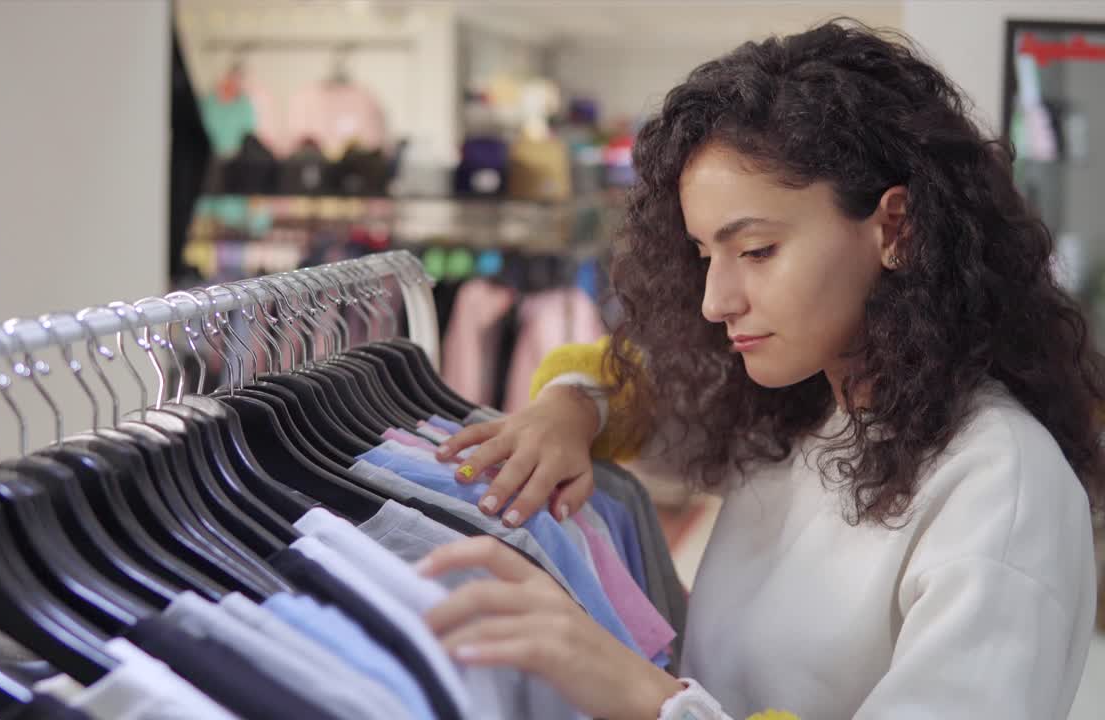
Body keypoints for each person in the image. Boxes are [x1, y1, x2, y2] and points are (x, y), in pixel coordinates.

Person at [413, 20, 1104, 720]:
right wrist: (569, 407)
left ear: (896, 227)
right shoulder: (809, 406)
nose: (715, 301)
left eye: (757, 251)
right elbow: (646, 387)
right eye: (705, 255)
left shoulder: (1001, 488)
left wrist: (650, 699)